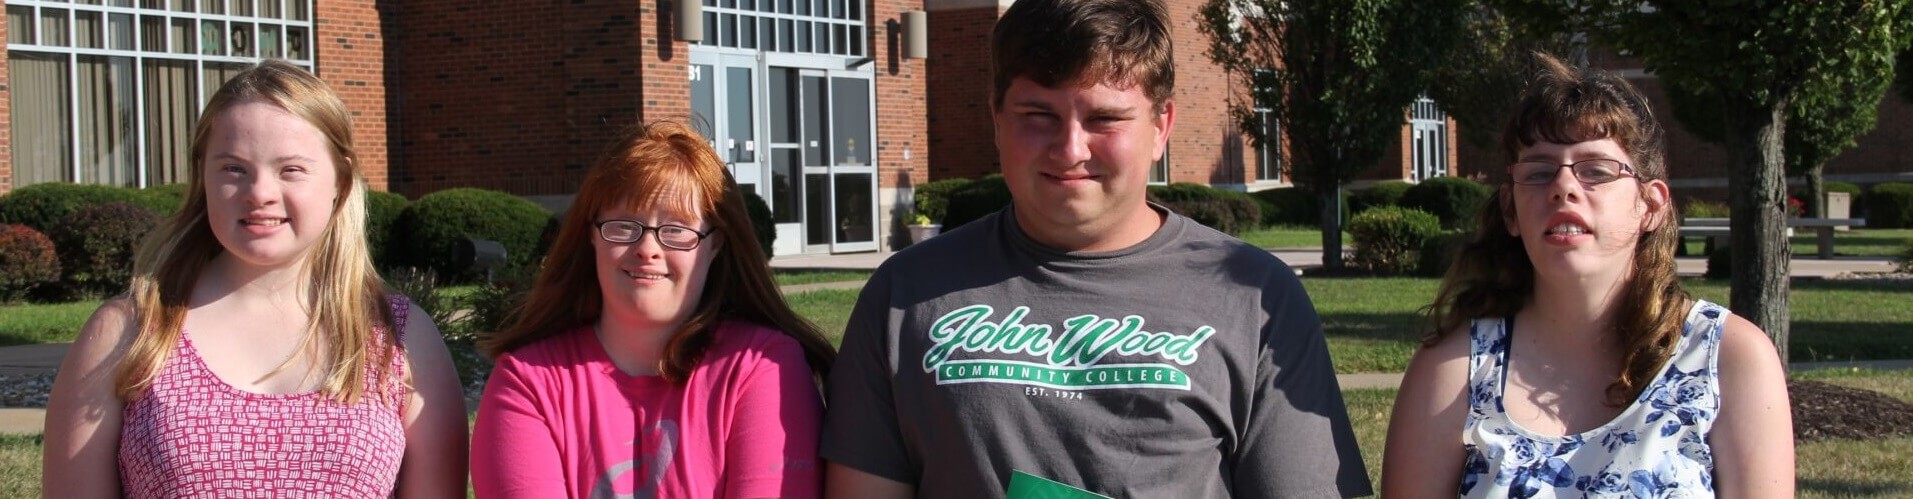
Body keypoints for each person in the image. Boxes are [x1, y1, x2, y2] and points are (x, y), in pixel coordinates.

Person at [819, 0, 1371, 497]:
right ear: (996, 119)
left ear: (1161, 126)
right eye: (1039, 116)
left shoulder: (1256, 298)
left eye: (1105, 118)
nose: (1069, 148)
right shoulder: (904, 294)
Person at [42, 59, 469, 497]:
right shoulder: (128, 334)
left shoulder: (399, 339)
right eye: (233, 168)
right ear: (202, 175)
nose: (260, 193)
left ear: (340, 180)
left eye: (291, 170)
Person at [1380, 53, 1795, 498]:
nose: (1563, 187)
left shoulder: (1729, 359)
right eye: (1539, 172)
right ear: (1510, 210)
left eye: (1596, 170)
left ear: (1650, 206)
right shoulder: (1454, 371)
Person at [470, 121, 835, 498]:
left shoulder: (763, 368)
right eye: (624, 225)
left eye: (677, 229)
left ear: (715, 245)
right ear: (592, 235)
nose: (648, 248)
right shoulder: (528, 382)